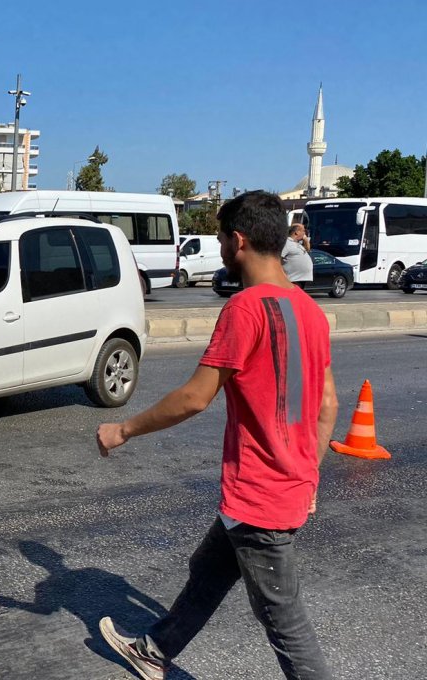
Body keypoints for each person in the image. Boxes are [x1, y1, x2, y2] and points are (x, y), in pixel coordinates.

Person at [96, 191, 338, 680]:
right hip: (285, 486)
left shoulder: (245, 309)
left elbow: (194, 398)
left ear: (239, 241)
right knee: (208, 569)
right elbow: (327, 404)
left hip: (260, 495)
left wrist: (123, 428)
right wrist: (309, 477)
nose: (221, 247)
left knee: (286, 625)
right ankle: (153, 651)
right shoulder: (308, 311)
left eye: (223, 238)